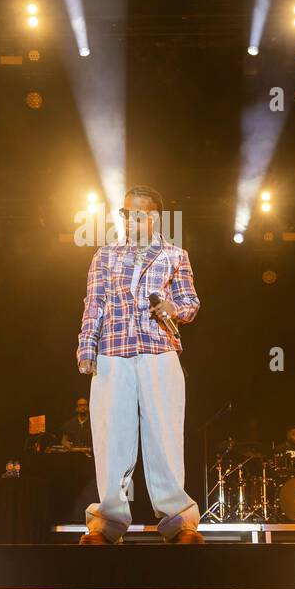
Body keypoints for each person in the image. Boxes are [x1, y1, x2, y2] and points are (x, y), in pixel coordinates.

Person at [77, 185, 203, 545]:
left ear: (154, 217)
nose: (131, 220)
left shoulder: (175, 255)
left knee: (164, 437)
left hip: (158, 350)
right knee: (111, 439)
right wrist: (86, 347)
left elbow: (190, 302)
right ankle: (107, 522)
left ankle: (179, 522)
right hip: (112, 352)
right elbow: (94, 303)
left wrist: (172, 309)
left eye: (138, 214)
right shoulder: (105, 255)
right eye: (126, 213)